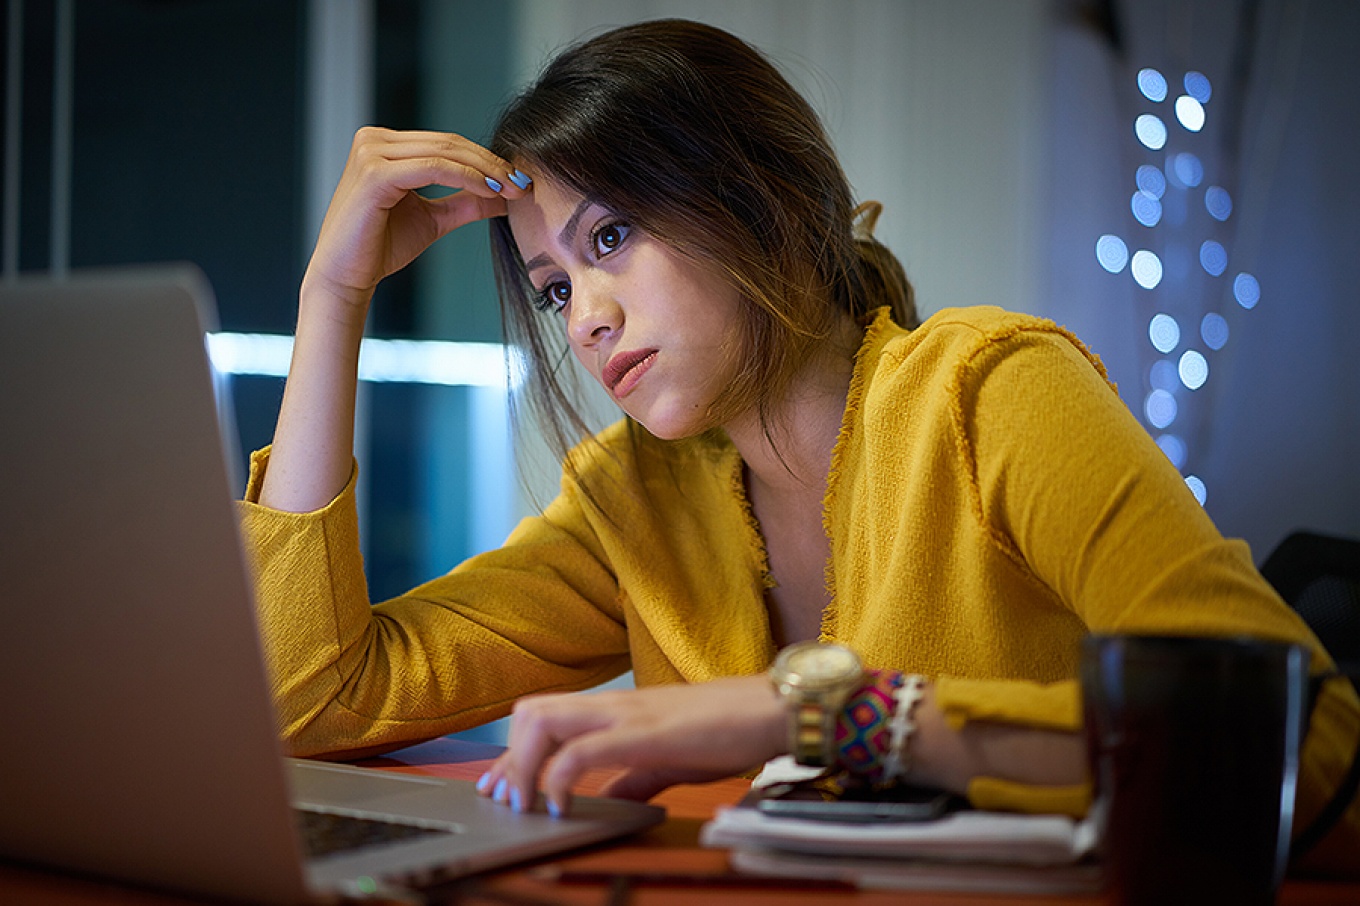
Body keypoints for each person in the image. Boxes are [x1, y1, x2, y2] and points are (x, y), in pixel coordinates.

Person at [238, 18, 1359, 874]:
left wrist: (815, 714)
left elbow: (1295, 745)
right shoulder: (633, 500)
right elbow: (310, 705)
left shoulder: (990, 392)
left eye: (612, 238)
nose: (582, 316)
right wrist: (331, 297)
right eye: (551, 287)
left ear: (757, 198)